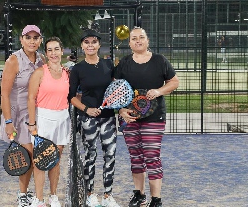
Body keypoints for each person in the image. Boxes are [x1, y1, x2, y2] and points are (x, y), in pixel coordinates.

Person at [115, 27, 179, 207]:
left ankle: (156, 199)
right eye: (134, 38)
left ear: (147, 40)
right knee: (135, 157)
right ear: (129, 43)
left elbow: (174, 81)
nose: (138, 41)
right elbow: (115, 90)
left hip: (154, 117)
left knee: (152, 156)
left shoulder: (159, 61)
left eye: (141, 37)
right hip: (130, 118)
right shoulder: (124, 63)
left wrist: (159, 91)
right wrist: (121, 110)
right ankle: (139, 195)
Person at [68, 29, 120, 207]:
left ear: (99, 44)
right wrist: (86, 109)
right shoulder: (78, 69)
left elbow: (116, 89)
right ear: (82, 46)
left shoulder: (108, 65)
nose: (90, 45)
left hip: (108, 118)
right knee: (90, 155)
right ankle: (90, 194)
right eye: (87, 42)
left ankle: (108, 196)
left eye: (94, 42)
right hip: (88, 119)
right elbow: (71, 97)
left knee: (110, 155)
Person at [0, 25, 44, 207]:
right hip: (17, 116)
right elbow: (4, 94)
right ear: (21, 39)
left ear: (40, 40)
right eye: (28, 37)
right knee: (26, 156)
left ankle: (30, 194)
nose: (32, 41)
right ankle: (22, 195)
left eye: (36, 38)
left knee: (36, 157)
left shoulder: (41, 60)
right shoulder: (13, 60)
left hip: (35, 114)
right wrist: (9, 121)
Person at [27, 37, 71, 207]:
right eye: (50, 50)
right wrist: (32, 124)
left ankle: (53, 196)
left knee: (55, 160)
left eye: (56, 49)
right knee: (39, 161)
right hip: (44, 119)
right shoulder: (39, 73)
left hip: (62, 118)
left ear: (62, 51)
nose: (53, 53)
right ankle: (39, 200)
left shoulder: (67, 73)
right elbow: (31, 98)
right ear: (46, 53)